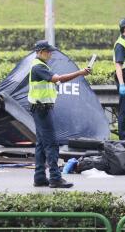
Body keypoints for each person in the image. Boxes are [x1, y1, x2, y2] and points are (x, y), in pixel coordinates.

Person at [28, 40, 92, 189]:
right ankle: (55, 178)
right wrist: (80, 73)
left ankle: (39, 177)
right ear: (40, 51)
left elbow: (56, 80)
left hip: (40, 108)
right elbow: (58, 79)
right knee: (51, 144)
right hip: (42, 109)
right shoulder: (38, 67)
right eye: (48, 51)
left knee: (41, 144)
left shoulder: (41, 66)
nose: (50, 54)